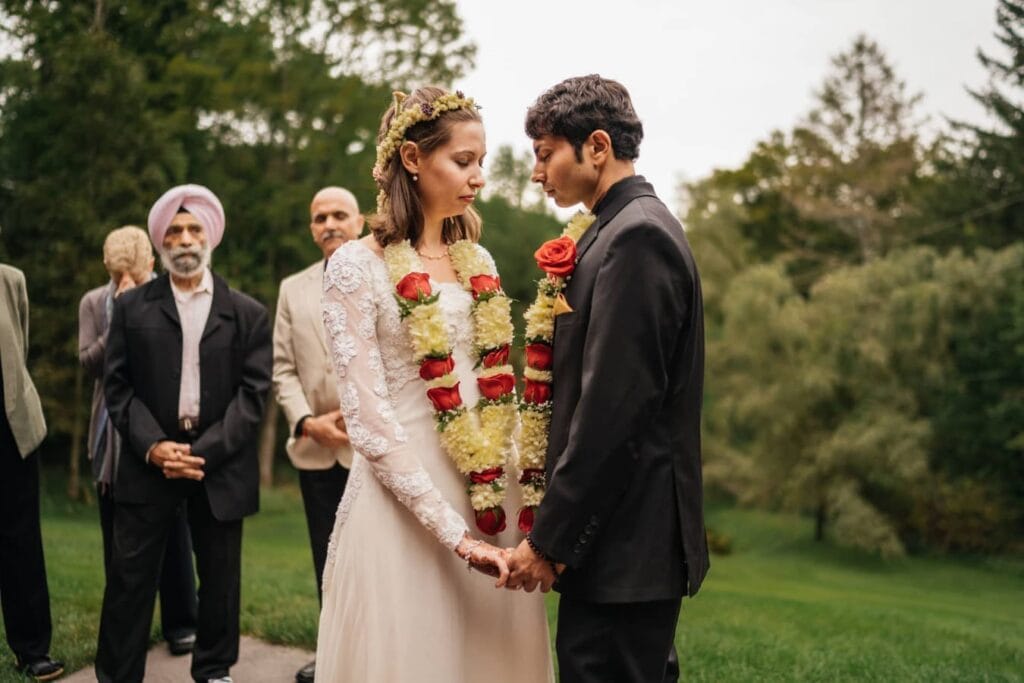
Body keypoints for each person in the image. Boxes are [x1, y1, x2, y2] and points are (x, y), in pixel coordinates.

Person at [314, 87, 553, 682]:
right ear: (413, 160)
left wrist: (529, 492)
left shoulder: (483, 262)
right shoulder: (355, 265)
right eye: (463, 161)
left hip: (488, 495)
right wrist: (453, 536)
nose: (477, 178)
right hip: (404, 504)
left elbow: (499, 388)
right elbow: (367, 419)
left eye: (481, 163)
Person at [505, 75, 710, 682]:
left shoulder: (638, 237)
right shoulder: (612, 229)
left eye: (545, 155)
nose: (537, 175)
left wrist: (550, 542)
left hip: (627, 545)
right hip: (619, 544)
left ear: (596, 146)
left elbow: (614, 410)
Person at [95, 184, 272, 683]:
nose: (185, 238)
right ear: (161, 243)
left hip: (220, 463)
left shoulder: (248, 313)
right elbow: (118, 387)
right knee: (129, 581)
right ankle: (117, 675)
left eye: (195, 229)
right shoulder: (130, 310)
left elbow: (254, 395)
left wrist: (204, 452)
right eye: (174, 230)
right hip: (147, 459)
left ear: (210, 237)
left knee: (219, 581)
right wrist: (154, 447)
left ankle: (214, 670)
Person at [78, 225, 199, 657]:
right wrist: (119, 313)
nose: (123, 282)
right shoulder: (94, 302)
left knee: (175, 530)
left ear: (149, 264)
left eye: (131, 275)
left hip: (163, 430)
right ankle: (129, 623)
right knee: (119, 535)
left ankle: (182, 622)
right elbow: (92, 364)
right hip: (111, 432)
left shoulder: (170, 297)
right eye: (115, 277)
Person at [272, 187, 361, 683]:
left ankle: (372, 657)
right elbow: (282, 369)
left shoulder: (387, 273)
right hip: (314, 449)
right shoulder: (292, 288)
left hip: (370, 451)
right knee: (324, 559)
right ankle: (331, 656)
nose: (329, 223)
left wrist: (358, 420)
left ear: (361, 221)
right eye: (319, 217)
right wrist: (308, 421)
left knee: (373, 559)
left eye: (338, 215)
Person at [0, 258, 64, 681]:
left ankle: (32, 649)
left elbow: (18, 345)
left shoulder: (11, 278)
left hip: (11, 427)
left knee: (21, 538)